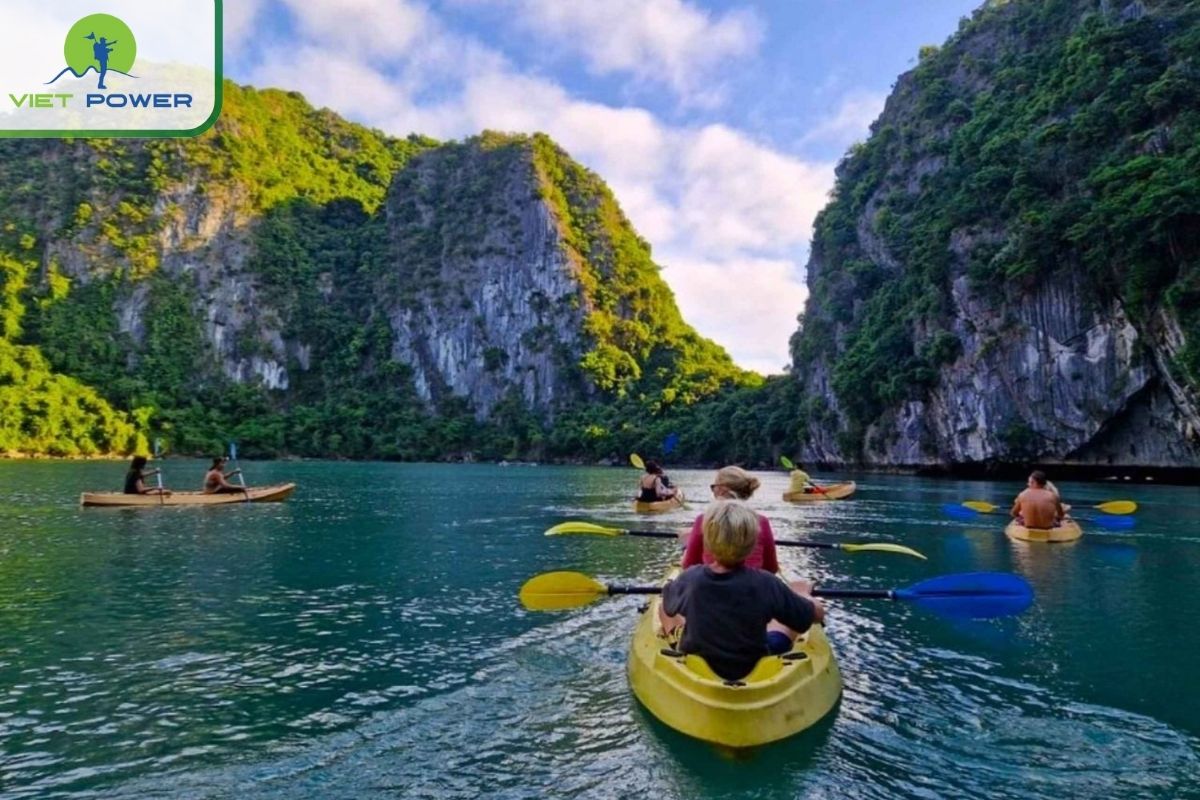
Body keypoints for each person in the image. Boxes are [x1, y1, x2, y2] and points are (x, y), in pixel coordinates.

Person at [659, 500, 825, 681]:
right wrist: (803, 594)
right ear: (753, 542)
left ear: (707, 541)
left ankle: (676, 639)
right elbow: (811, 618)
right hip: (752, 663)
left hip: (696, 659)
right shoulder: (766, 582)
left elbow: (668, 606)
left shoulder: (690, 578)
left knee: (662, 609)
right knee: (787, 621)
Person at [681, 466, 777, 572]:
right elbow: (771, 568)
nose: (713, 491)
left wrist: (686, 545)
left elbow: (689, 565)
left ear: (722, 490)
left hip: (712, 585)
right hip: (751, 586)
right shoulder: (761, 521)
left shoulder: (704, 520)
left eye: (714, 487)